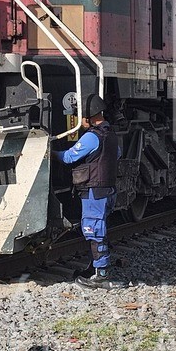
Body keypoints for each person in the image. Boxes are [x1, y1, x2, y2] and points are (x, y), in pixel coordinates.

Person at [57, 93, 120, 288]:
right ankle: (96, 268)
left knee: (94, 229)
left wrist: (49, 152)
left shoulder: (92, 137)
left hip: (94, 189)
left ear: (89, 117)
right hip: (108, 189)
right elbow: (117, 156)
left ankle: (101, 274)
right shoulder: (111, 134)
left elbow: (68, 157)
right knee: (100, 228)